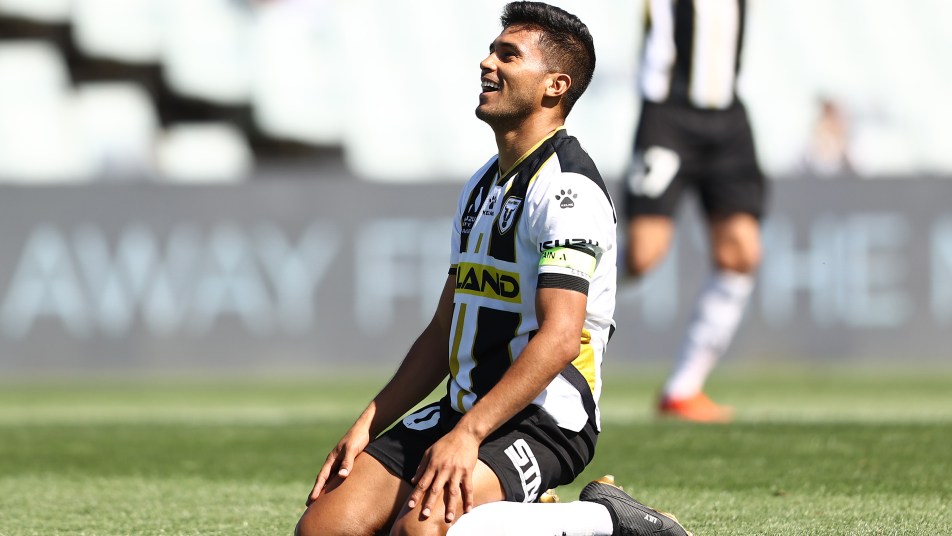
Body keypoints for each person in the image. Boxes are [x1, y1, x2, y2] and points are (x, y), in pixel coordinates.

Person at [295, 3, 691, 536]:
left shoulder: (568, 190)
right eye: (491, 51)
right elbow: (445, 328)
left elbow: (560, 338)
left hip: (545, 420)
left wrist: (469, 435)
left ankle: (605, 520)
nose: (487, 63)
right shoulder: (481, 185)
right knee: (322, 528)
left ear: (555, 85)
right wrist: (370, 421)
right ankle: (518, 514)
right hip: (463, 408)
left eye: (508, 55)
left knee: (422, 531)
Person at [623, 0, 767, 423]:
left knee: (740, 252)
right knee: (643, 254)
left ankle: (683, 387)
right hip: (668, 114)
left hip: (728, 117)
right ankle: (544, 305)